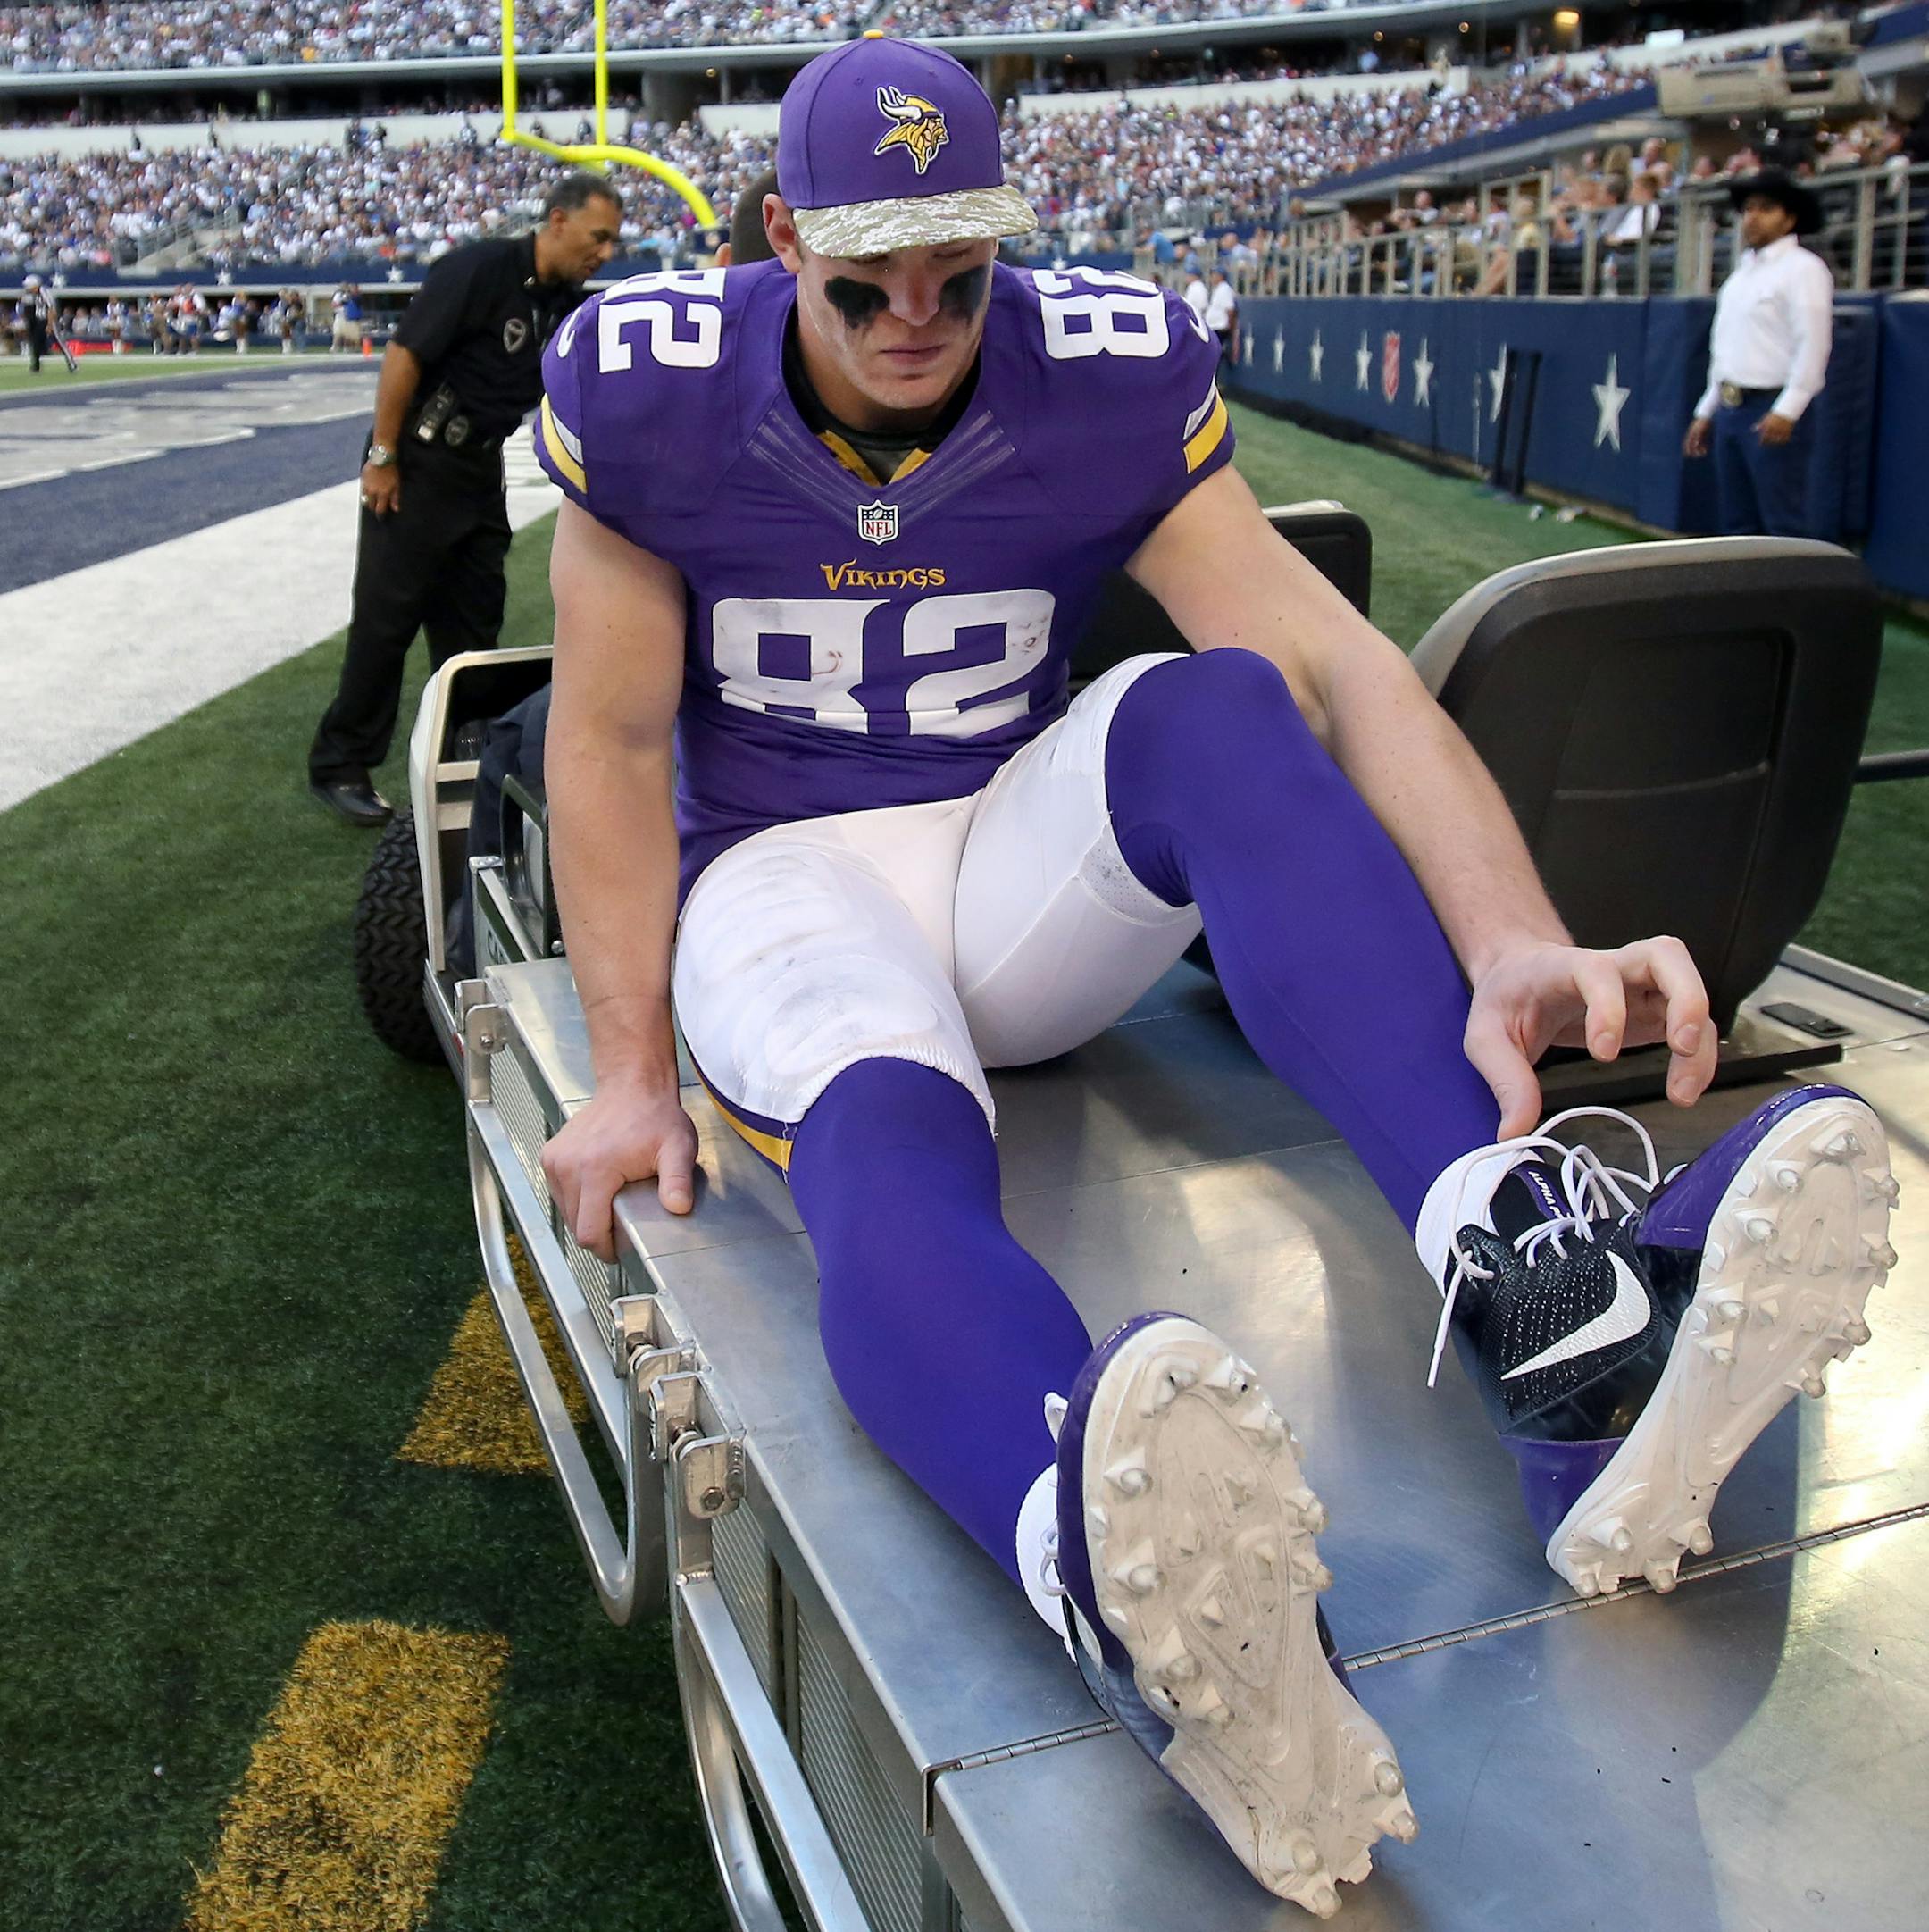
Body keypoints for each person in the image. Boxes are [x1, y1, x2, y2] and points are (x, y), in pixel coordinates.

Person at [532, 37, 1893, 1916]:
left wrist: (1511, 937)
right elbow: (603, 742)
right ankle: (1107, 1559)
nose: (920, 316)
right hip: (776, 878)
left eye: (962, 270)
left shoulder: (1097, 368)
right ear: (783, 237)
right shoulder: (655, 390)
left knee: (1222, 704)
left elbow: (1334, 663)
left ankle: (1559, 1320)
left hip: (1016, 855)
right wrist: (622, 1064)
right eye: (869, 280)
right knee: (883, 1136)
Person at [307, 172, 620, 826]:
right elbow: (404, 356)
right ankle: (342, 763)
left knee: (474, 626)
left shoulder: (562, 302)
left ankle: (466, 752)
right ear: (557, 221)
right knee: (386, 622)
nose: (606, 252)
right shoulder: (478, 269)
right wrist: (383, 457)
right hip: (418, 462)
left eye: (613, 240)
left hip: (479, 471)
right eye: (598, 237)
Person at [1683, 169, 1833, 538]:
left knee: (1782, 520)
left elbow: (1813, 343)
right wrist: (1707, 409)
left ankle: (1794, 596)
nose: (1752, 217)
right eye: (1747, 209)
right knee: (1737, 520)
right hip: (1732, 407)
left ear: (1790, 217)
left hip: (1771, 407)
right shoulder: (1740, 277)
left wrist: (1788, 409)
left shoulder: (1804, 269)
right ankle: (1747, 595)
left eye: (1765, 208)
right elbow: (1726, 349)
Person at [1203, 265, 1238, 360]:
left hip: (1220, 327)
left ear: (1220, 276)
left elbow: (1230, 310)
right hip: (1214, 326)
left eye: (1214, 275)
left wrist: (1229, 326)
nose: (1211, 277)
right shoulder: (1218, 289)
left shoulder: (1224, 289)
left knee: (1213, 354)